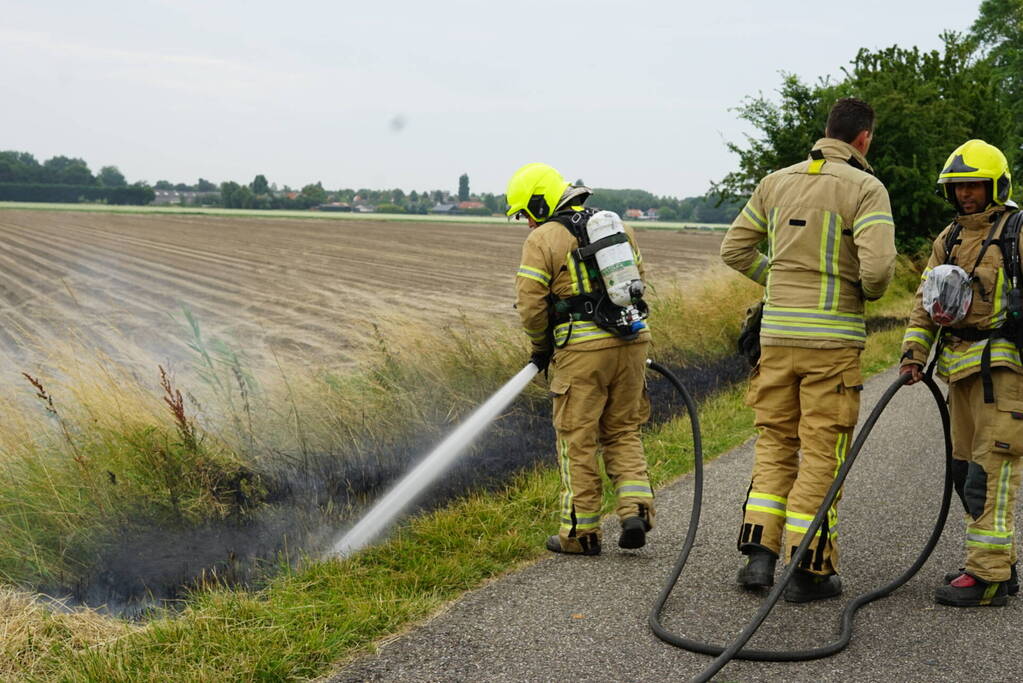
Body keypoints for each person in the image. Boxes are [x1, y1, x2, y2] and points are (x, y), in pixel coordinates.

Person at [720, 97, 897, 602]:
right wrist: (859, 290)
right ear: (863, 138)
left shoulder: (775, 182)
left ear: (827, 131)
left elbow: (734, 249)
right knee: (822, 451)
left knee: (775, 443)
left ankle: (759, 557)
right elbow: (878, 272)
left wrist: (776, 282)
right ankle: (809, 568)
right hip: (831, 344)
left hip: (776, 339)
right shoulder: (866, 188)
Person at [508, 162, 654, 556]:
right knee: (623, 430)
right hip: (632, 340)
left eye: (526, 213)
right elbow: (638, 281)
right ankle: (635, 511)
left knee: (578, 439)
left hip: (582, 352)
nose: (527, 222)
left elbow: (530, 306)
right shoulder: (617, 227)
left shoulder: (543, 239)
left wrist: (541, 347)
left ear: (541, 202)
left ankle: (580, 534)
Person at [900, 139, 1021, 607]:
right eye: (958, 187)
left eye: (974, 185)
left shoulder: (1017, 233)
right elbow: (926, 301)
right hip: (960, 373)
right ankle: (999, 566)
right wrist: (914, 352)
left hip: (1005, 375)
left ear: (996, 186)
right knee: (964, 471)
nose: (966, 194)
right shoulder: (949, 238)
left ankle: (987, 577)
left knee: (989, 475)